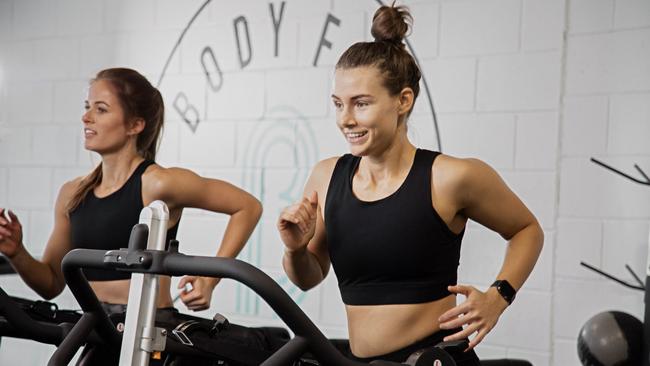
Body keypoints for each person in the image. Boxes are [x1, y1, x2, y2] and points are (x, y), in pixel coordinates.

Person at [277, 4, 544, 365]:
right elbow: (309, 277)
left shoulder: (450, 177)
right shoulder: (326, 177)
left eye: (361, 103)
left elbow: (527, 229)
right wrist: (295, 249)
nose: (345, 119)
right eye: (338, 104)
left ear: (403, 100)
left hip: (433, 358)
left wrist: (498, 297)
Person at [0, 68, 262, 362]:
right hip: (95, 328)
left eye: (101, 110)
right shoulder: (72, 194)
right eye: (87, 108)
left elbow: (247, 206)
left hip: (150, 330)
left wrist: (209, 278)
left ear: (135, 124)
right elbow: (50, 283)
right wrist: (17, 252)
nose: (86, 118)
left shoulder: (157, 183)